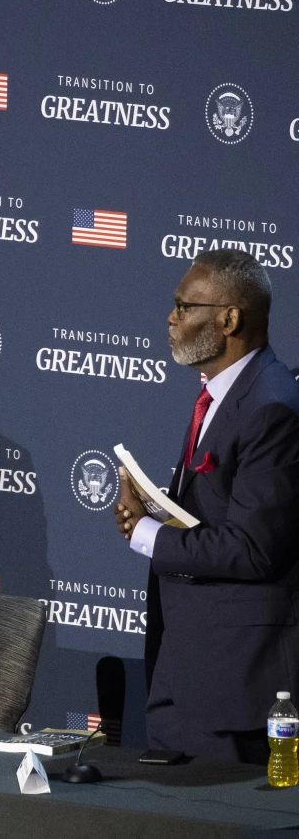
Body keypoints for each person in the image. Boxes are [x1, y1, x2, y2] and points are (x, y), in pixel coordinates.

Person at [114, 249, 299, 763]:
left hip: (234, 685)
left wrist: (146, 535)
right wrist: (151, 511)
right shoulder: (224, 394)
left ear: (229, 318)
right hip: (188, 668)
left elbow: (254, 547)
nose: (171, 318)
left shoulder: (272, 407)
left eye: (183, 305)